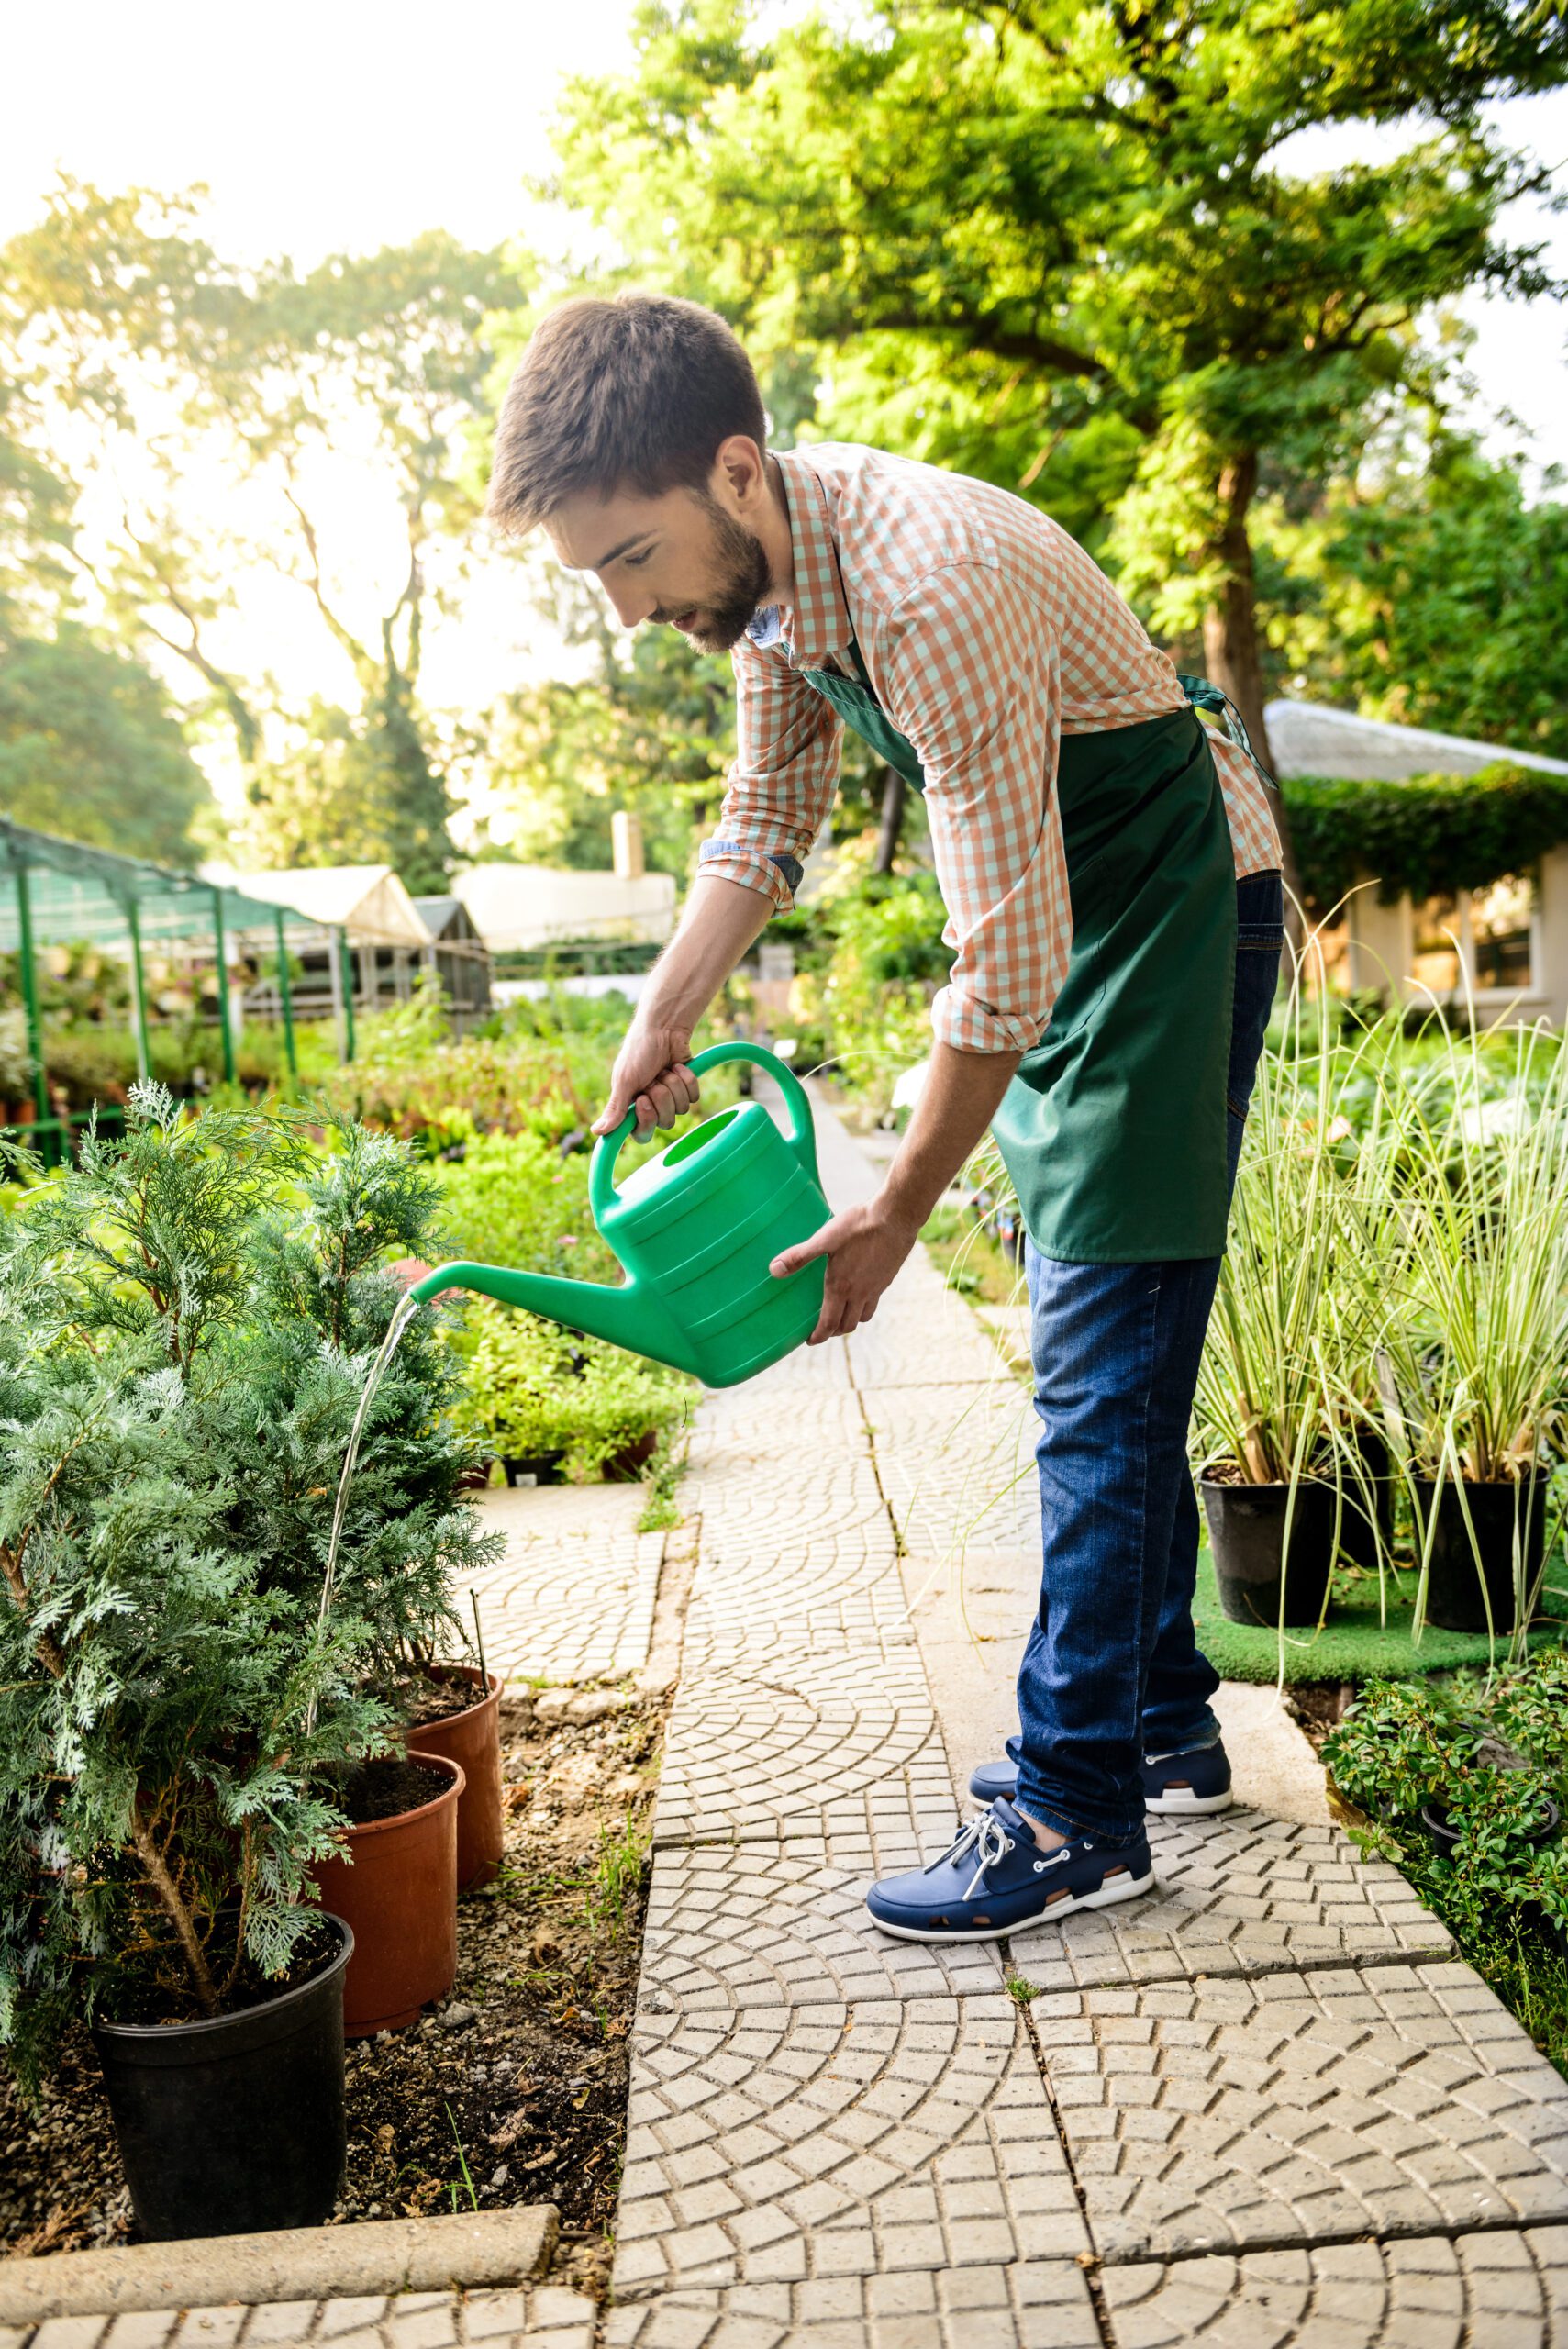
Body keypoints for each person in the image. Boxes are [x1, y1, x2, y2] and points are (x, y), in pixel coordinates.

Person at [486, 290, 1284, 1943]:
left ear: (732, 472)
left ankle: (1072, 1807)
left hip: (1171, 902)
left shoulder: (924, 586)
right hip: (1075, 909)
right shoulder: (769, 591)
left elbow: (1004, 954)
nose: (630, 612)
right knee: (1105, 1333)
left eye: (630, 560)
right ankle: (1159, 1716)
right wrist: (663, 1013)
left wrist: (899, 1204)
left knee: (1099, 1351)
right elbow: (766, 816)